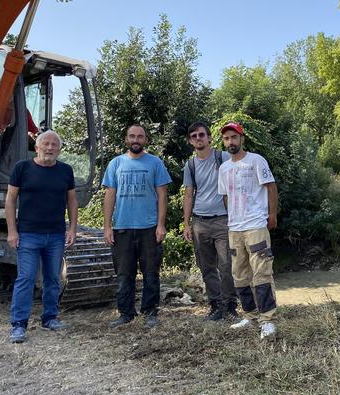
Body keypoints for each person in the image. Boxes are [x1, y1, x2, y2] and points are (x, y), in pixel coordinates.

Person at [6, 130, 78, 344]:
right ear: (36, 147)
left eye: (54, 145)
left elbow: (72, 201)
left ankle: (50, 318)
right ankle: (19, 325)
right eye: (45, 144)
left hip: (55, 235)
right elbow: (10, 200)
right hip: (28, 234)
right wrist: (12, 230)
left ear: (59, 149)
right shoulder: (22, 168)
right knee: (26, 278)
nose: (49, 148)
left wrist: (72, 228)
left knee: (52, 279)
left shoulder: (65, 171)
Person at [103, 124, 171, 328]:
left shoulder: (155, 163)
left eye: (140, 136)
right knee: (124, 274)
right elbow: (109, 195)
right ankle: (126, 313)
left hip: (149, 227)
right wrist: (107, 227)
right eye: (132, 136)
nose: (136, 140)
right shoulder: (116, 163)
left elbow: (162, 195)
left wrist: (161, 225)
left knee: (151, 272)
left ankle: (150, 312)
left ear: (145, 140)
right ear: (126, 139)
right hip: (122, 227)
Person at [217, 121, 279, 339]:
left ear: (242, 139)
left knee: (262, 273)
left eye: (234, 137)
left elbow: (271, 187)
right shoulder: (224, 168)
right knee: (240, 275)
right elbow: (225, 196)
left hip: (255, 225)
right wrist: (232, 218)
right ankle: (250, 316)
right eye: (226, 138)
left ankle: (268, 320)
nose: (230, 141)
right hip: (235, 229)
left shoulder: (256, 161)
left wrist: (272, 215)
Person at [182, 122, 237, 321]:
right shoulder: (190, 165)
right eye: (194, 136)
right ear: (190, 141)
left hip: (223, 219)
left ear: (209, 137)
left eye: (202, 135)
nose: (198, 138)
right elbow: (188, 195)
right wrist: (186, 224)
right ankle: (215, 306)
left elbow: (236, 182)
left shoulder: (222, 157)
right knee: (206, 267)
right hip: (200, 222)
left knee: (226, 266)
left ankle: (230, 306)